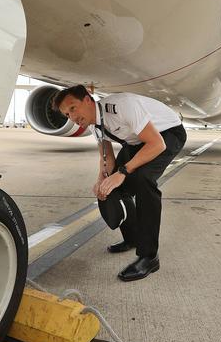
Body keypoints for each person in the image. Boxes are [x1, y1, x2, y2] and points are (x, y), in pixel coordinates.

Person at [52, 85, 186, 281]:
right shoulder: (93, 124)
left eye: (73, 108)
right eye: (66, 114)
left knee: (143, 180)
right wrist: (102, 180)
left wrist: (123, 172)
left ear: (88, 99)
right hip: (137, 142)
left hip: (166, 134)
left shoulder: (121, 106)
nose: (71, 117)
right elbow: (106, 157)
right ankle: (131, 237)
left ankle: (149, 257)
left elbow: (157, 144)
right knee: (113, 187)